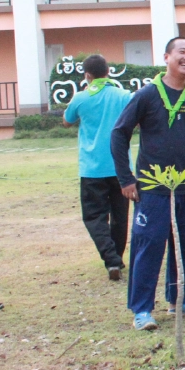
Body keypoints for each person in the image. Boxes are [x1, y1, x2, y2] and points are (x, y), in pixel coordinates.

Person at [111, 37, 185, 331]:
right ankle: (142, 309)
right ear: (167, 57)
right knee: (149, 245)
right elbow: (119, 134)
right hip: (153, 186)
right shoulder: (147, 95)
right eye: (182, 51)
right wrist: (126, 179)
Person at [62, 54, 133, 280]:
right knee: (120, 216)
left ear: (87, 75)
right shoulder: (124, 95)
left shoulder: (81, 98)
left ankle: (110, 258)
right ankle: (117, 257)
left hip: (92, 168)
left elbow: (66, 121)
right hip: (120, 166)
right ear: (109, 71)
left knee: (94, 217)